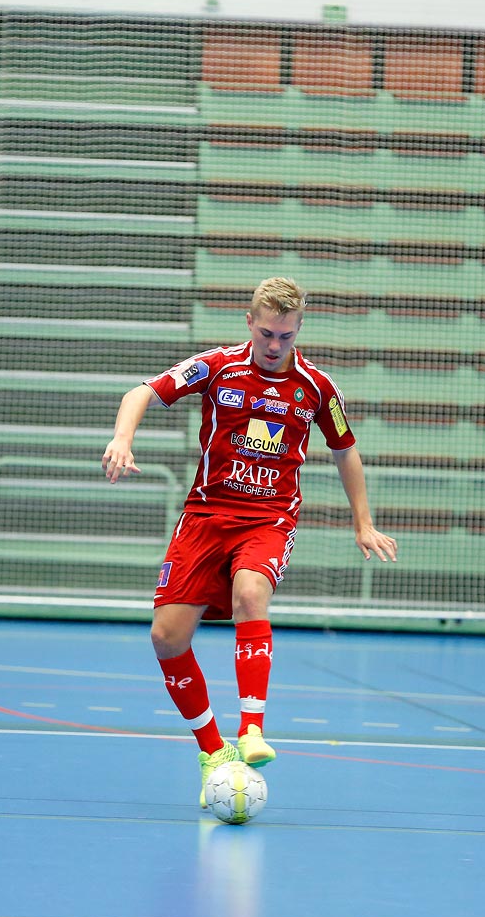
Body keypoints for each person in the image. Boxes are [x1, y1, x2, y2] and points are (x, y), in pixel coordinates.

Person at [101, 276, 398, 809]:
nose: (275, 345)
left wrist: (363, 522)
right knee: (167, 637)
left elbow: (345, 450)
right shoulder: (216, 367)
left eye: (285, 335)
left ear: (299, 329)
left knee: (250, 594)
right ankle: (213, 752)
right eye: (266, 333)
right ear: (249, 323)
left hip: (268, 520)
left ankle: (252, 729)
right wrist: (123, 437)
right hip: (205, 516)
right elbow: (142, 391)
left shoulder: (317, 388)